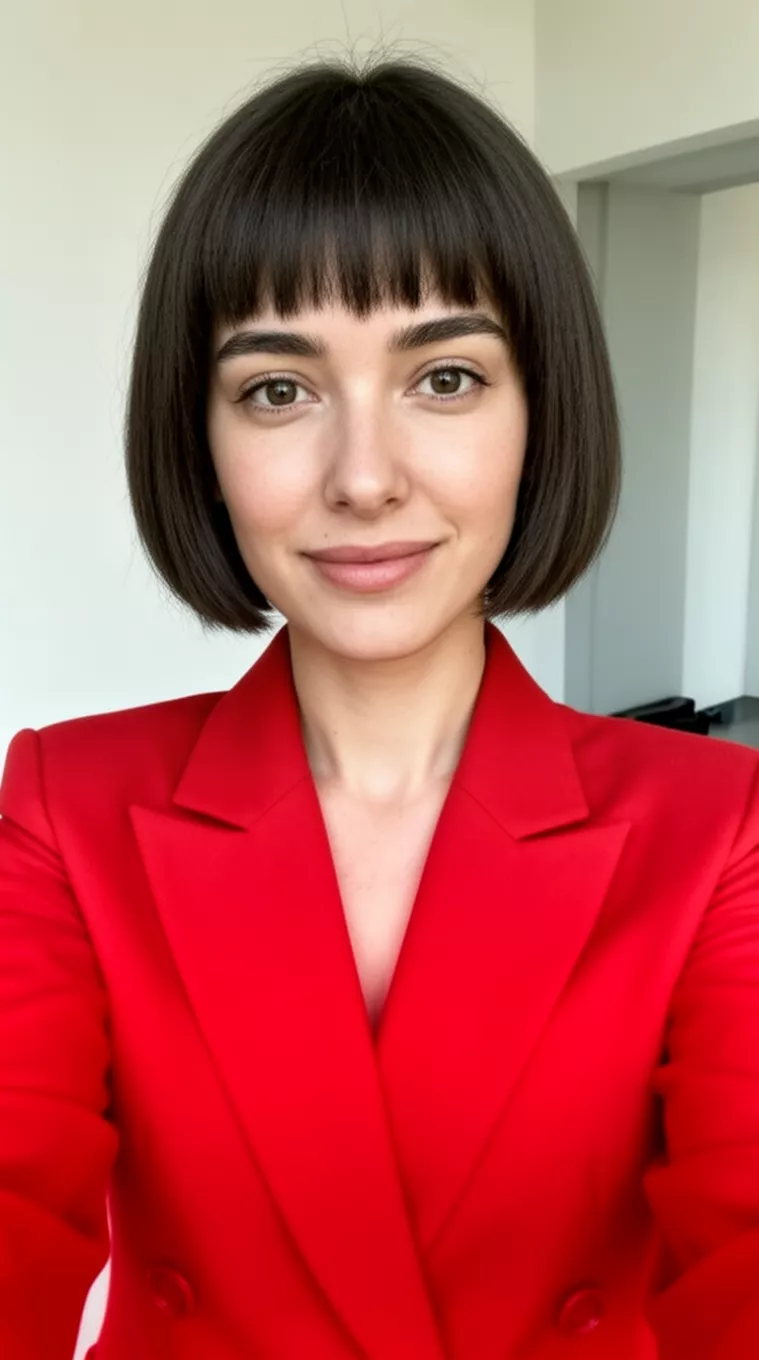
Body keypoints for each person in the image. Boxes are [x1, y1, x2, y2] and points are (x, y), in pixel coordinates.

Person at [1, 48, 758, 1360]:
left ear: (539, 411)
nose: (362, 477)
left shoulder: (716, 825)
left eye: (444, 377)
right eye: (277, 389)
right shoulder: (69, 804)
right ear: (202, 439)